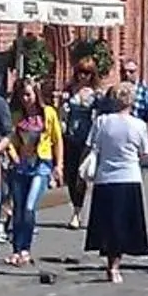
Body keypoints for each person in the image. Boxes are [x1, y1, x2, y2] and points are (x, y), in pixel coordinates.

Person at [85, 87, 148, 284]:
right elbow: (145, 152)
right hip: (129, 177)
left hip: (105, 178)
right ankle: (115, 266)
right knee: (122, 225)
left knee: (108, 224)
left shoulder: (101, 121)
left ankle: (111, 263)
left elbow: (91, 146)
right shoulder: (138, 125)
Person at [0, 78, 56, 269]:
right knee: (18, 209)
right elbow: (9, 138)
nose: (25, 99)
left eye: (28, 94)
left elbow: (57, 140)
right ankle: (17, 249)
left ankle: (25, 248)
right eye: (22, 95)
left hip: (41, 165)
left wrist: (58, 166)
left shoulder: (48, 113)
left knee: (29, 207)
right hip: (20, 165)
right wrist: (13, 155)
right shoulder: (17, 116)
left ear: (36, 94)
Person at [60, 60, 103, 229]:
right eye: (80, 72)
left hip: (87, 138)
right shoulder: (70, 90)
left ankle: (77, 213)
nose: (83, 76)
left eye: (87, 73)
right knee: (70, 175)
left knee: (81, 174)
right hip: (70, 136)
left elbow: (101, 114)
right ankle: (75, 207)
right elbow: (62, 111)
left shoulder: (96, 93)